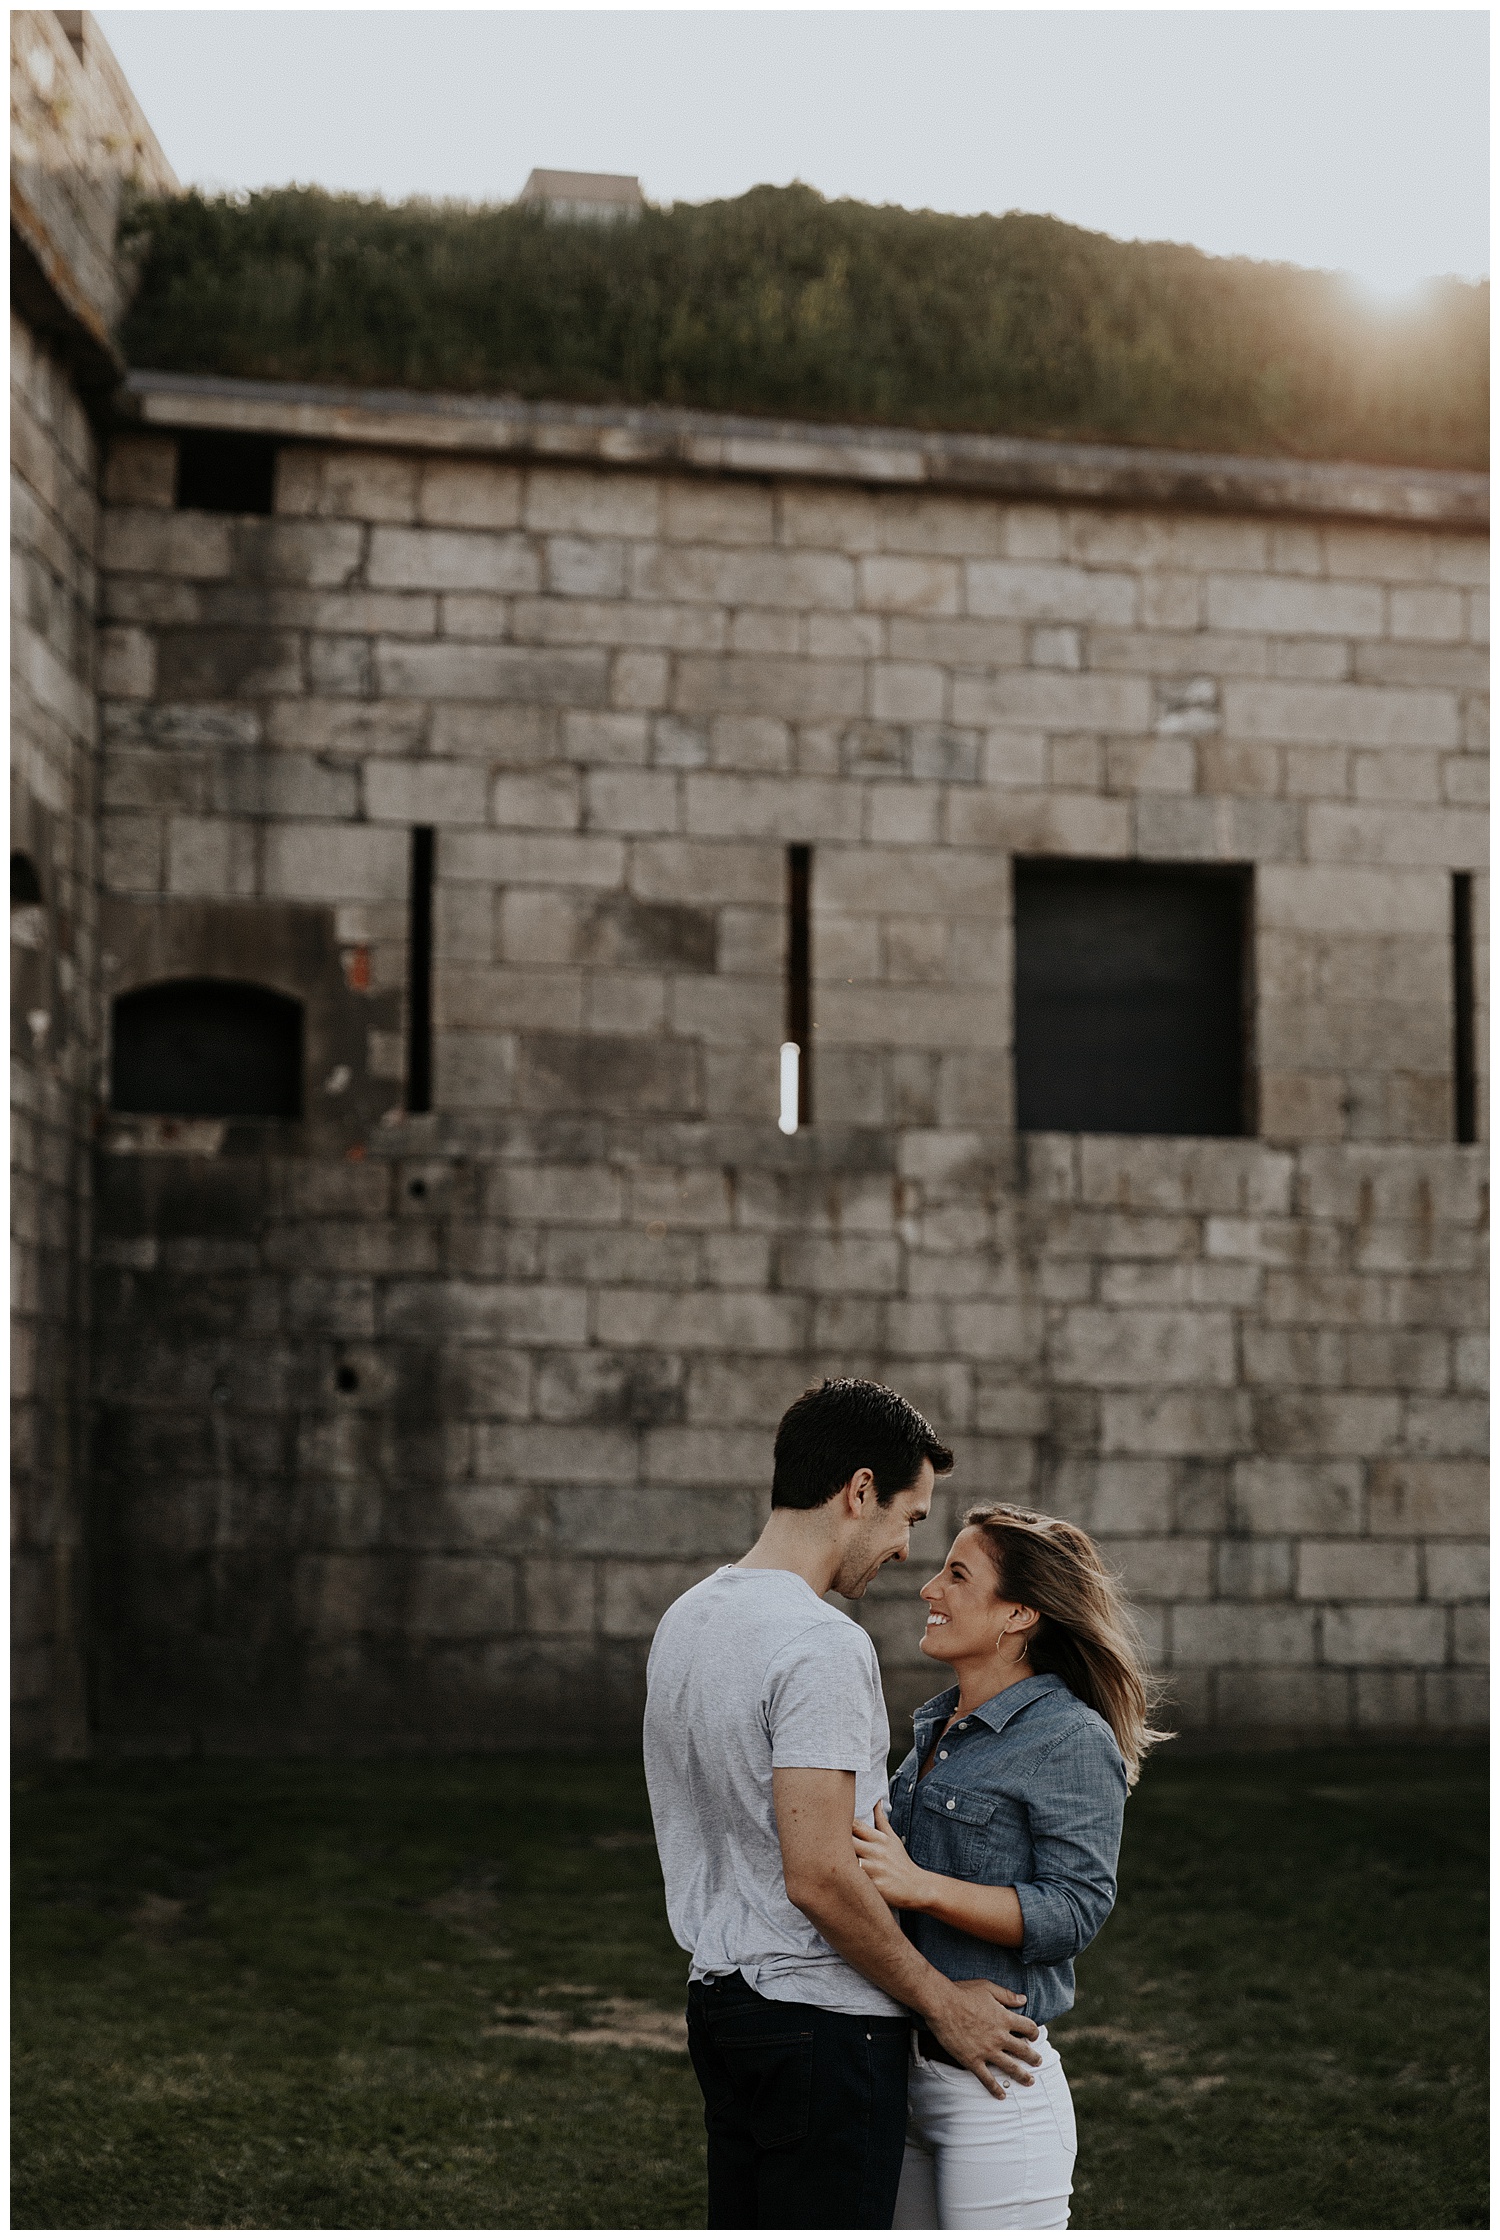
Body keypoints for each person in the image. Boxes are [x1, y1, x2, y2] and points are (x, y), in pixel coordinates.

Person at [643, 1382, 1043, 2232]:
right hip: (823, 2032)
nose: (906, 1550)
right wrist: (941, 2000)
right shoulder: (820, 1643)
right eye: (910, 1518)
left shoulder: (688, 1618)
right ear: (859, 1491)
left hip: (722, 2011)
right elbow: (821, 1875)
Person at [853, 1502, 1169, 2231]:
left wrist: (923, 1888)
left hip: (994, 2094)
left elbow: (1075, 1909)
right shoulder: (938, 1726)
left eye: (958, 1575)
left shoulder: (1068, 1738)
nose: (930, 1588)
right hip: (900, 2075)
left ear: (1019, 1612)